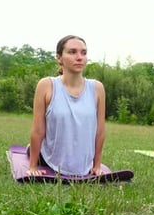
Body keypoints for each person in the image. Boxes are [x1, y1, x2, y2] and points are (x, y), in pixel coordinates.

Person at [26, 35, 106, 176]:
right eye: (72, 52)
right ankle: (32, 151)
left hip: (83, 165)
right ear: (59, 58)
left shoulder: (97, 88)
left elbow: (99, 131)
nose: (79, 57)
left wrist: (97, 165)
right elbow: (38, 130)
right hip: (50, 160)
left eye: (84, 53)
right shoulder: (46, 85)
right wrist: (33, 167)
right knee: (38, 148)